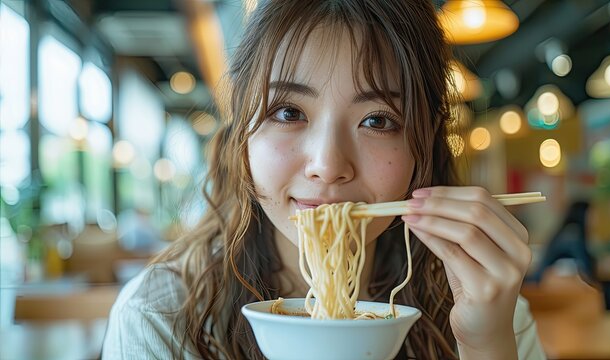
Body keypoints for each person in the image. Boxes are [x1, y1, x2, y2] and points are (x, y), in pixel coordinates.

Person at [102, 1, 545, 359]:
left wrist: (486, 346)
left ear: (423, 145)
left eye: (377, 120)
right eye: (288, 112)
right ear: (243, 133)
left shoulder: (487, 308)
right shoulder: (163, 316)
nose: (328, 164)